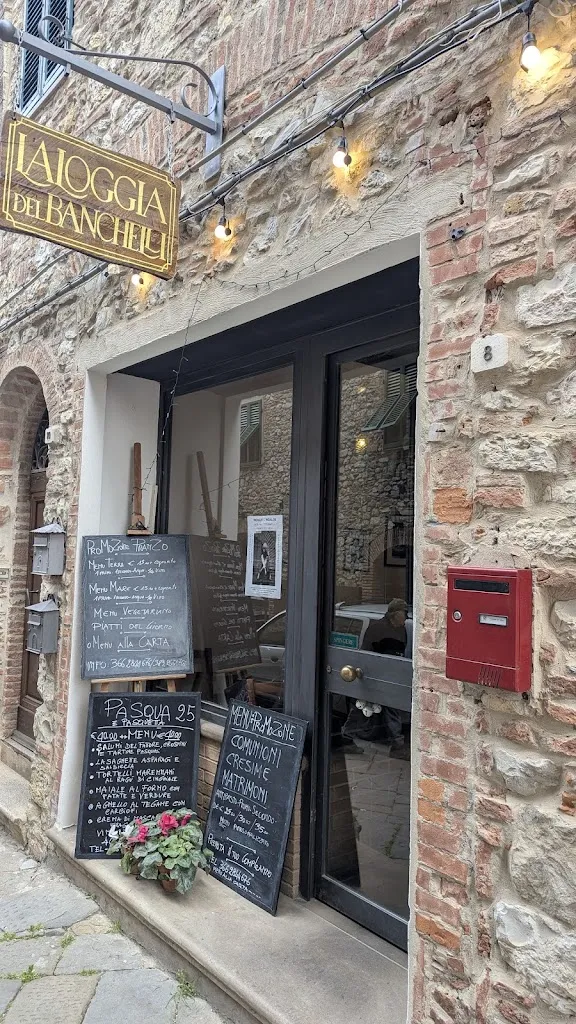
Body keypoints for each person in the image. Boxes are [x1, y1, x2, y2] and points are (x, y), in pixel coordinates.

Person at [341, 599, 409, 758]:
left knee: (390, 708)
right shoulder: (376, 629)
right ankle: (346, 738)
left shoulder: (402, 630)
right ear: (395, 614)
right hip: (374, 674)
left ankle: (397, 744)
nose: (405, 618)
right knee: (362, 708)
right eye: (403, 614)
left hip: (391, 674)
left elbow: (400, 652)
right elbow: (367, 654)